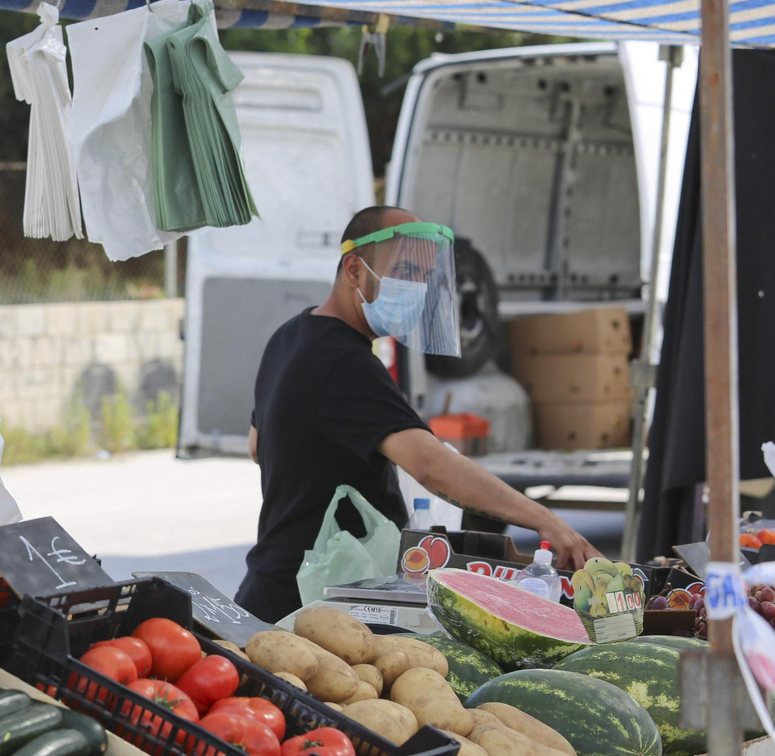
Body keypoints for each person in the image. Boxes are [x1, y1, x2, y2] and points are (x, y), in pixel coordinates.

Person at [237, 206, 600, 623]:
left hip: (274, 583)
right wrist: (542, 518)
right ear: (354, 269)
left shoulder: (290, 336)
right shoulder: (343, 362)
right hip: (309, 604)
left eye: (424, 277)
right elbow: (430, 465)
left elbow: (256, 446)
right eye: (405, 271)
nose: (417, 288)